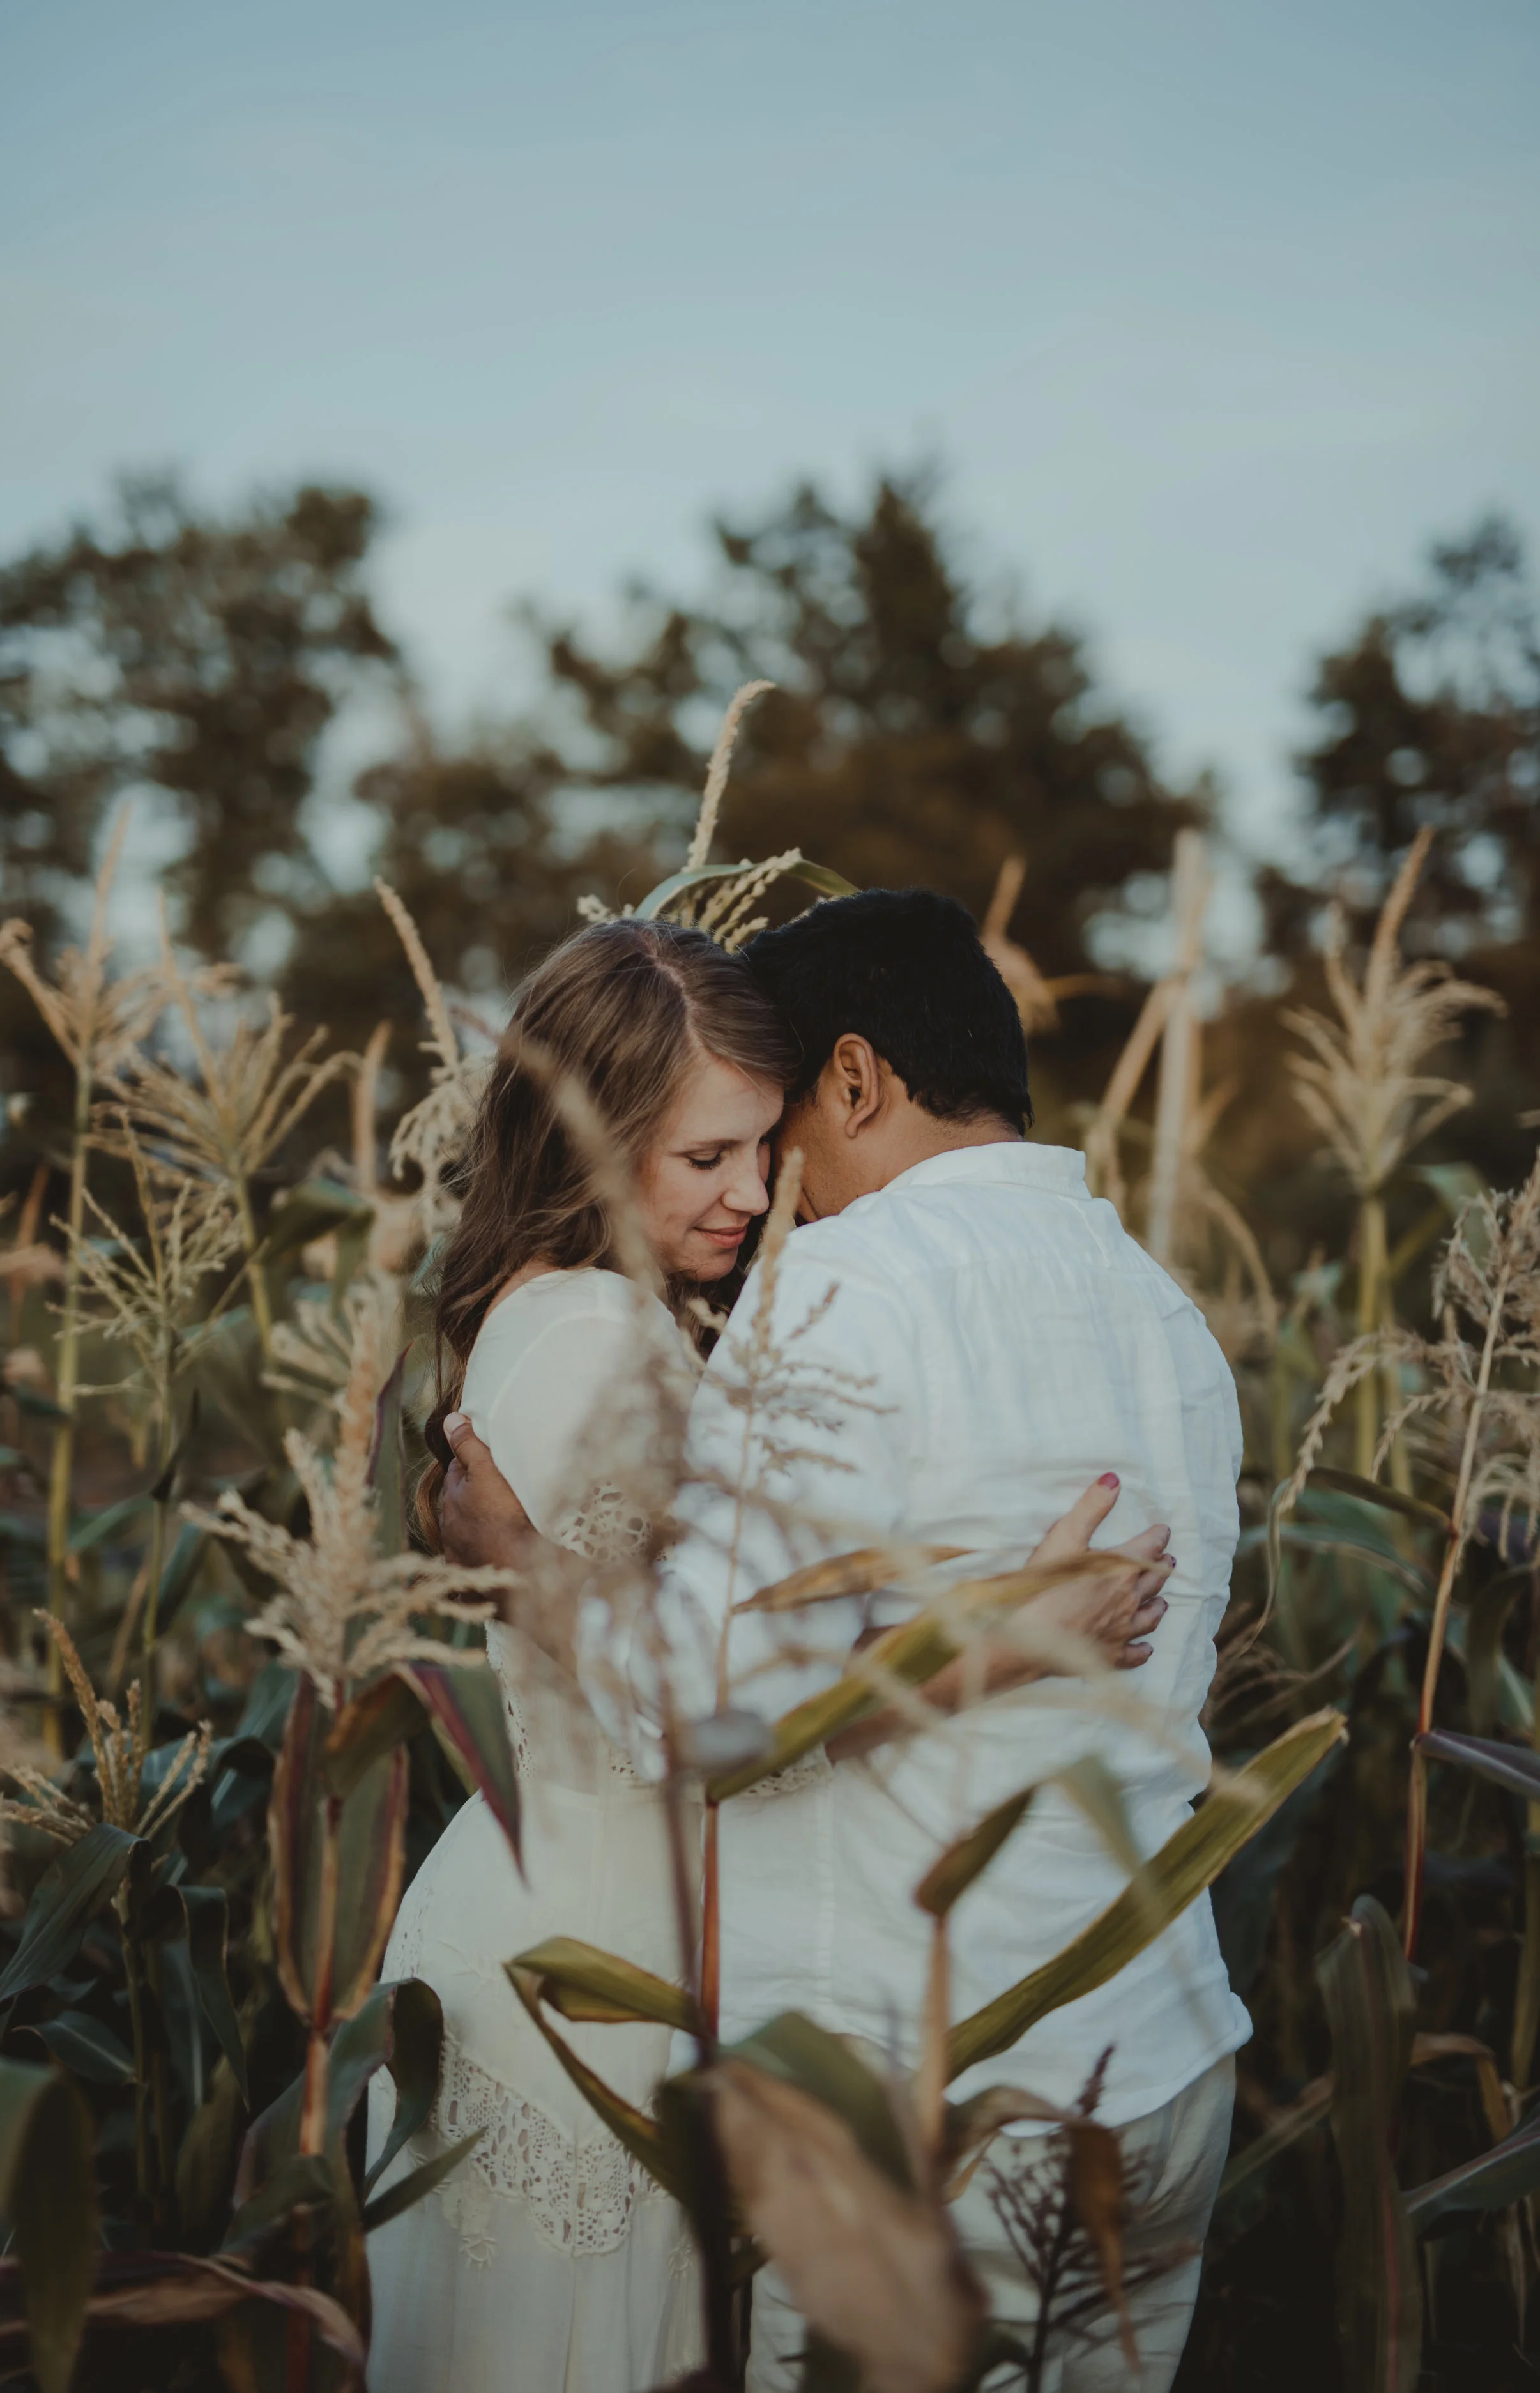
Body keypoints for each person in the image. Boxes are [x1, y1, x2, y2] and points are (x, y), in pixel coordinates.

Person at [441, 891, 1249, 2393]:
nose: (766, 1196)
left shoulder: (845, 1288)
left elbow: (696, 1715)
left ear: (856, 1079)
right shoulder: (1164, 1315)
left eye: (778, 1132)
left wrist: (520, 1564)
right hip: (1161, 2063)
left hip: (923, 2099)